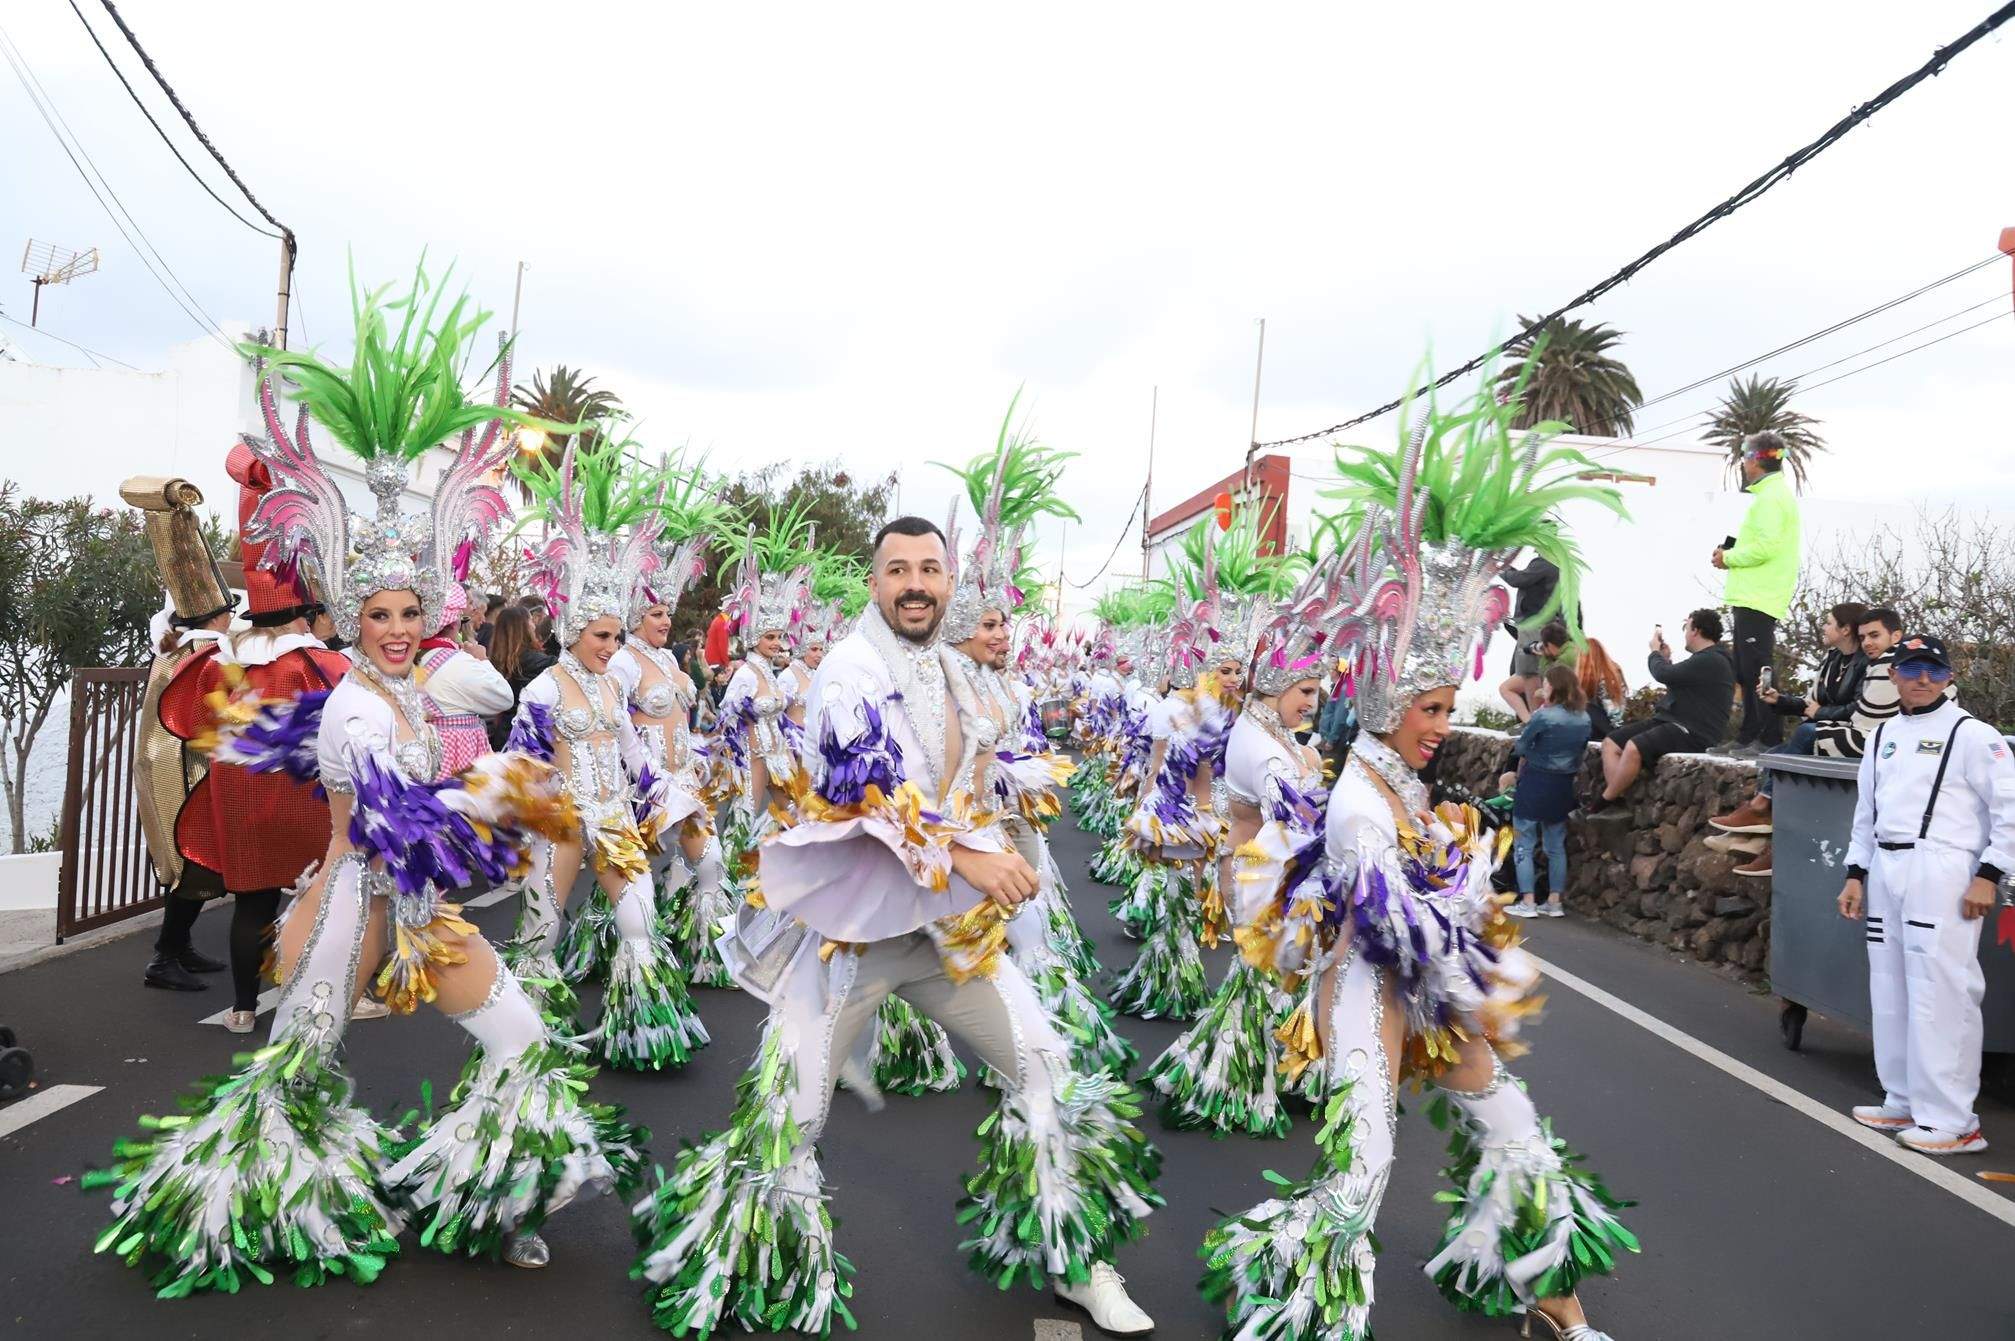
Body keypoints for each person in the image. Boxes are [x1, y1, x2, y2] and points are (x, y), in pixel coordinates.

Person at [90, 273, 637, 1289]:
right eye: (377, 614)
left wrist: (503, 787)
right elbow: (394, 828)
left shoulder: (420, 689)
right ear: (354, 616)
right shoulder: (352, 705)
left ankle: (498, 1197)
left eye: (407, 613)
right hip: (351, 907)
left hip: (423, 915)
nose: (394, 629)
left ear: (426, 614)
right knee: (293, 1073)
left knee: (522, 1042)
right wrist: (506, 798)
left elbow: (450, 767)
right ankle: (226, 1205)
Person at [632, 516, 1161, 1337]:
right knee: (792, 1116)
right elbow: (865, 795)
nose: (915, 583)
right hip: (851, 939)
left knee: (1047, 1070)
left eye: (929, 569)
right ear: (875, 582)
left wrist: (1010, 795)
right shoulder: (849, 667)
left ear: (947, 583)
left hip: (945, 936)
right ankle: (731, 1259)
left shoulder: (952, 668)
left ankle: (1073, 1257)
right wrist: (973, 858)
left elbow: (965, 778)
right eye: (898, 569)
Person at [1208, 383, 1633, 1340]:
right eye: (1429, 708)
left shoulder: (1394, 780)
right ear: (1386, 703)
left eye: (1446, 707)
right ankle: (1283, 1291)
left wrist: (1453, 856)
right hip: (1369, 990)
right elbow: (1399, 926)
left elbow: (1434, 890)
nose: (1442, 725)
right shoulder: (1360, 801)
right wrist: (1478, 935)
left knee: (1513, 1135)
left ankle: (1556, 1305)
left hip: (1425, 989)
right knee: (1360, 1172)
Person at [506, 438, 710, 1068]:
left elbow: (633, 753)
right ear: (575, 631)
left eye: (617, 636)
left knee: (640, 918)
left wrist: (670, 795)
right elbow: (520, 765)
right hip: (566, 823)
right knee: (541, 932)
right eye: (602, 635)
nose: (611, 646)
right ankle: (526, 1049)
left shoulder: (612, 686)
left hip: (615, 816)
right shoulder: (543, 688)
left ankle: (640, 1030)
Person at [1837, 634, 2011, 1157]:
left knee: (1942, 991)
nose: (1922, 679)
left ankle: (1953, 1120)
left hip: (1943, 868)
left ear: (1948, 676)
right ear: (1894, 675)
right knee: (1890, 986)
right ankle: (1904, 1098)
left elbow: (2009, 808)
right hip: (1886, 867)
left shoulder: (1972, 734)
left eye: (1933, 670)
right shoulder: (1883, 735)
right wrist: (1855, 873)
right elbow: (1866, 812)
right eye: (1912, 668)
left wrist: (1989, 874)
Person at [123, 472, 239, 995]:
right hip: (185, 771)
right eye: (228, 612)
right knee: (191, 863)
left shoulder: (183, 648)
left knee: (191, 863)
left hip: (181, 765)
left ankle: (179, 947)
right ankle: (163, 958)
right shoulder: (203, 655)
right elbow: (217, 717)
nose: (233, 618)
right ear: (214, 617)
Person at [1709, 600, 1870, 877]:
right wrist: (1780, 700)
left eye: (1829, 623)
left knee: (1803, 735)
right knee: (1775, 756)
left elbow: (1857, 709)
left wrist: (1820, 713)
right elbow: (1811, 703)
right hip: (1824, 730)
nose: (1823, 627)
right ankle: (1755, 838)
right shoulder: (1833, 659)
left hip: (1846, 737)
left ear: (1845, 630)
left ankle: (1761, 810)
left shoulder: (1867, 663)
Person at [1586, 608, 1735, 817]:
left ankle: (1603, 801)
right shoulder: (1706, 660)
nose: (1685, 633)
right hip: (1672, 722)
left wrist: (1655, 653)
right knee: (1611, 743)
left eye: (1686, 628)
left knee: (1633, 748)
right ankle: (1617, 801)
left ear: (1695, 631)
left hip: (1692, 731)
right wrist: (1665, 658)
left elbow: (1662, 674)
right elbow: (1677, 679)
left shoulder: (1712, 659)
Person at [1713, 430, 1802, 755]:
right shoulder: (1771, 496)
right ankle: (1749, 735)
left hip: (1759, 596)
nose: (1742, 463)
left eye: (1745, 456)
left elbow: (1766, 547)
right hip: (1753, 594)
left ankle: (1768, 738)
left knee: (1758, 669)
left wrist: (1729, 557)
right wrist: (1732, 553)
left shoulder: (1771, 498)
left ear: (1755, 460)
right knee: (1747, 669)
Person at [1507, 664, 1594, 917]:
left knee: (1524, 843)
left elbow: (1522, 747)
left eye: (1546, 683)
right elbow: (1581, 752)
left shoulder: (1544, 716)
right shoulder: (1584, 718)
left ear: (1554, 687)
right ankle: (1554, 902)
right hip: (1562, 785)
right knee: (1556, 846)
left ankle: (1528, 902)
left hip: (1536, 781)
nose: (1543, 686)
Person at [485, 604, 557, 749]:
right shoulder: (535, 661)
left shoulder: (493, 659)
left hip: (503, 730)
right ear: (523, 626)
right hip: (527, 733)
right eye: (530, 620)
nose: (533, 625)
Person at [1575, 635, 1627, 743]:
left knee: (1584, 707)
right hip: (1617, 725)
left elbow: (1611, 710)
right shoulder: (1613, 671)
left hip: (1609, 728)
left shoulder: (1603, 678)